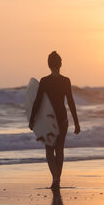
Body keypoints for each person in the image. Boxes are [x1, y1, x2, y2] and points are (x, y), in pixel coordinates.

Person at [29, 51, 80, 189]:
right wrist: (76, 122)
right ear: (61, 64)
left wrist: (32, 119)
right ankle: (57, 179)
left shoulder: (45, 81)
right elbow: (71, 102)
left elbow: (37, 102)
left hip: (49, 121)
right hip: (62, 119)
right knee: (60, 149)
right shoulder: (65, 81)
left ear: (48, 65)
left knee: (49, 150)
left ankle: (55, 178)